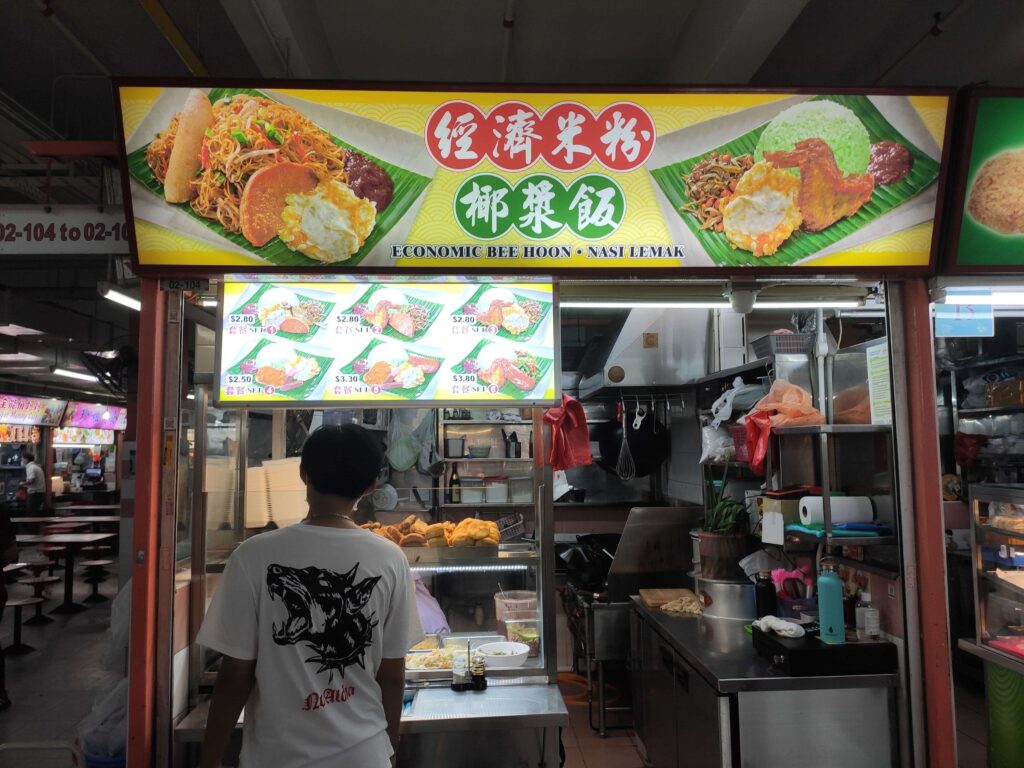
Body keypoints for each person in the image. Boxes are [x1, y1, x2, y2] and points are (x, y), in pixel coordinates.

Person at [197, 424, 421, 768]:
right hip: (365, 756)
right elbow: (392, 675)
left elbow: (233, 677)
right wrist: (388, 747)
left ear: (303, 474)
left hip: (276, 757)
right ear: (371, 486)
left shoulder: (252, 556)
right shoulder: (391, 558)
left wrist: (209, 760)